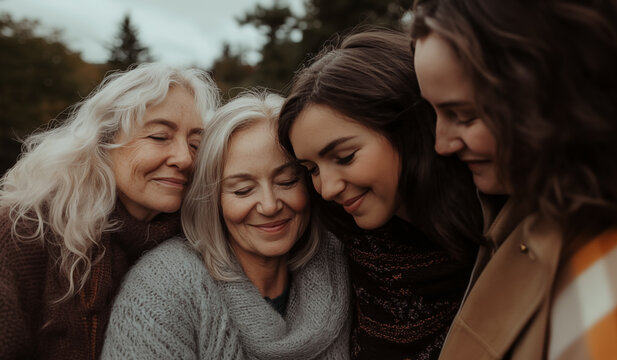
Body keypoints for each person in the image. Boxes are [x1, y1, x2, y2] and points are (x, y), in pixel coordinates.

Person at [411, 0, 617, 358]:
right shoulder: (516, 211)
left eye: (464, 115)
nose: (441, 144)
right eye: (435, 113)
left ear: (552, 93)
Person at [277, 28, 484, 359]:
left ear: (407, 129)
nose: (328, 189)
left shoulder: (500, 230)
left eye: (345, 157)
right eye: (312, 169)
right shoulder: (346, 249)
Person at [102, 91, 351, 359]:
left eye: (287, 182)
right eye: (243, 190)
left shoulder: (345, 264)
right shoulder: (162, 288)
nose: (269, 206)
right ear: (212, 201)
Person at [0, 62, 220, 359]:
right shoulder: (24, 232)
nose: (184, 158)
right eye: (159, 136)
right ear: (104, 141)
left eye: (196, 144)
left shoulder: (201, 245)